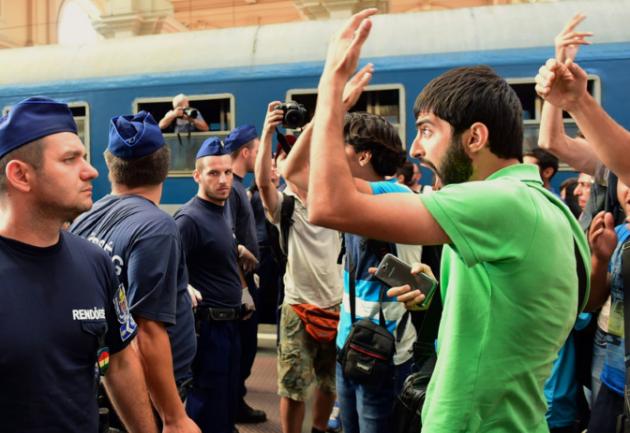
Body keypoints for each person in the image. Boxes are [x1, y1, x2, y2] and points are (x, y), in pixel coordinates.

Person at [305, 9, 590, 432]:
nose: (416, 149)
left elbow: (328, 206)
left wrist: (330, 86)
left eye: (427, 130)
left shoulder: (499, 201)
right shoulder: (548, 208)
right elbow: (516, 305)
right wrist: (433, 293)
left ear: (474, 137)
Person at [0, 96, 157, 433]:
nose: (92, 171)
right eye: (70, 159)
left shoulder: (95, 262)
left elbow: (121, 361)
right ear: (21, 175)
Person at [70, 111, 199, 432]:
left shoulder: (88, 216)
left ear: (110, 164)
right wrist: (174, 416)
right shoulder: (157, 228)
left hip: (103, 374)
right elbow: (148, 330)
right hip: (147, 388)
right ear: (165, 165)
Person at [255, 101, 344, 433]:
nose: (290, 167)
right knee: (292, 387)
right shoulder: (285, 207)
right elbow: (264, 183)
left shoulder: (334, 203)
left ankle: (320, 428)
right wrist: (266, 133)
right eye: (284, 160)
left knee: (329, 381)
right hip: (297, 307)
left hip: (336, 305)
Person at [175, 137, 254, 433]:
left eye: (227, 173)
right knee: (207, 406)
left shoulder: (222, 210)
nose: (223, 180)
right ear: (197, 176)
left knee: (225, 405)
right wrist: (183, 285)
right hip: (209, 331)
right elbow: (170, 267)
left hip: (231, 325)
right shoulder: (189, 219)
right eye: (213, 173)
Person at [223, 124, 267, 424]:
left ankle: (234, 402)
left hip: (245, 278)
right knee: (241, 349)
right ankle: (232, 406)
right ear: (246, 152)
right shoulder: (233, 189)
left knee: (245, 348)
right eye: (258, 149)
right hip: (238, 282)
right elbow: (227, 238)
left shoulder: (239, 186)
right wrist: (242, 288)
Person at [584, 181, 630, 433]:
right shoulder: (620, 235)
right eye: (624, 177)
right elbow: (592, 302)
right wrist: (599, 260)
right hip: (613, 384)